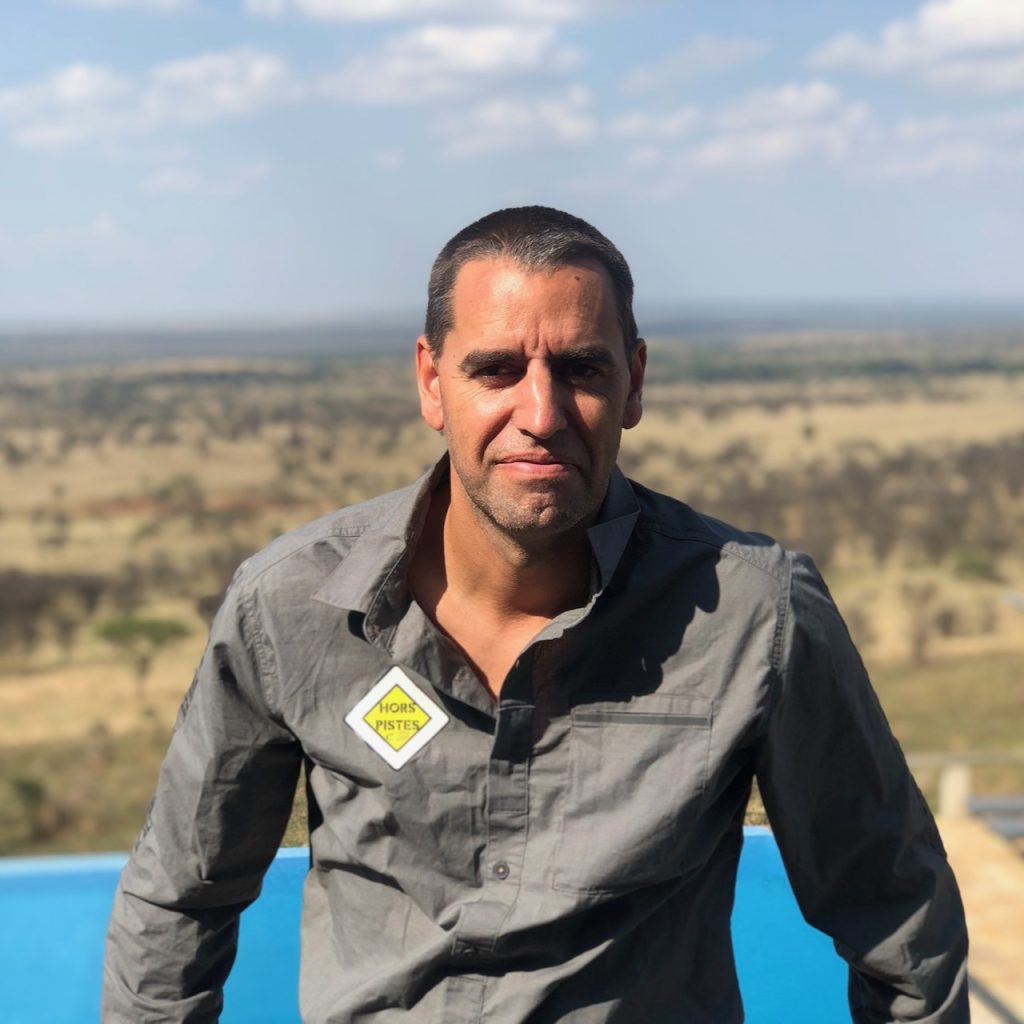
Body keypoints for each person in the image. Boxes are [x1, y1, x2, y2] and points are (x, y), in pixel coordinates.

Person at [103, 206, 969, 1023]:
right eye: (496, 370)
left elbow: (896, 909)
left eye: (582, 369)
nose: (542, 414)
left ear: (634, 382)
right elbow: (179, 898)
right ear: (431, 382)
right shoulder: (291, 606)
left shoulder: (755, 615)